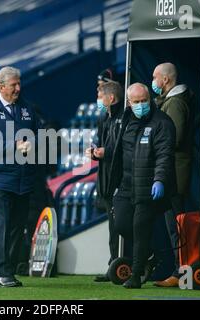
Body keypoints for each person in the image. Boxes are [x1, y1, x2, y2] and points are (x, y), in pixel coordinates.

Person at [0, 66, 40, 287]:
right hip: (0, 177)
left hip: (24, 177)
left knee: (17, 226)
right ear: (0, 86)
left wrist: (34, 144)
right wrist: (13, 145)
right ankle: (2, 273)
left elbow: (41, 136)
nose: (18, 88)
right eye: (14, 85)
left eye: (19, 84)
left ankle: (9, 270)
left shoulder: (27, 108)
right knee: (2, 225)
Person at [108, 83, 176, 288]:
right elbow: (118, 151)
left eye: (144, 101)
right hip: (126, 184)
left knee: (140, 228)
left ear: (149, 99)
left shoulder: (162, 122)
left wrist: (159, 179)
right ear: (129, 103)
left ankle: (136, 275)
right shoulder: (125, 120)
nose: (141, 105)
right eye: (136, 102)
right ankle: (152, 251)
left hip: (147, 185)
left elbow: (165, 154)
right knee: (120, 223)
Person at [151, 63, 194, 287]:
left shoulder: (176, 103)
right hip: (171, 171)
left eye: (154, 77)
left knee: (176, 225)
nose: (153, 81)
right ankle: (177, 270)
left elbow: (173, 137)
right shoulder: (169, 101)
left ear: (165, 80)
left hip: (175, 173)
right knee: (171, 224)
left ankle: (181, 273)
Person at [85, 80, 124, 282]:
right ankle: (114, 264)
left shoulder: (123, 118)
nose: (98, 101)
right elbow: (101, 145)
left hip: (118, 181)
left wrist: (104, 152)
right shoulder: (105, 119)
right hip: (106, 181)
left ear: (110, 98)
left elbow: (122, 148)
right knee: (112, 228)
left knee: (119, 227)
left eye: (100, 97)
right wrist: (94, 153)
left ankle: (120, 264)